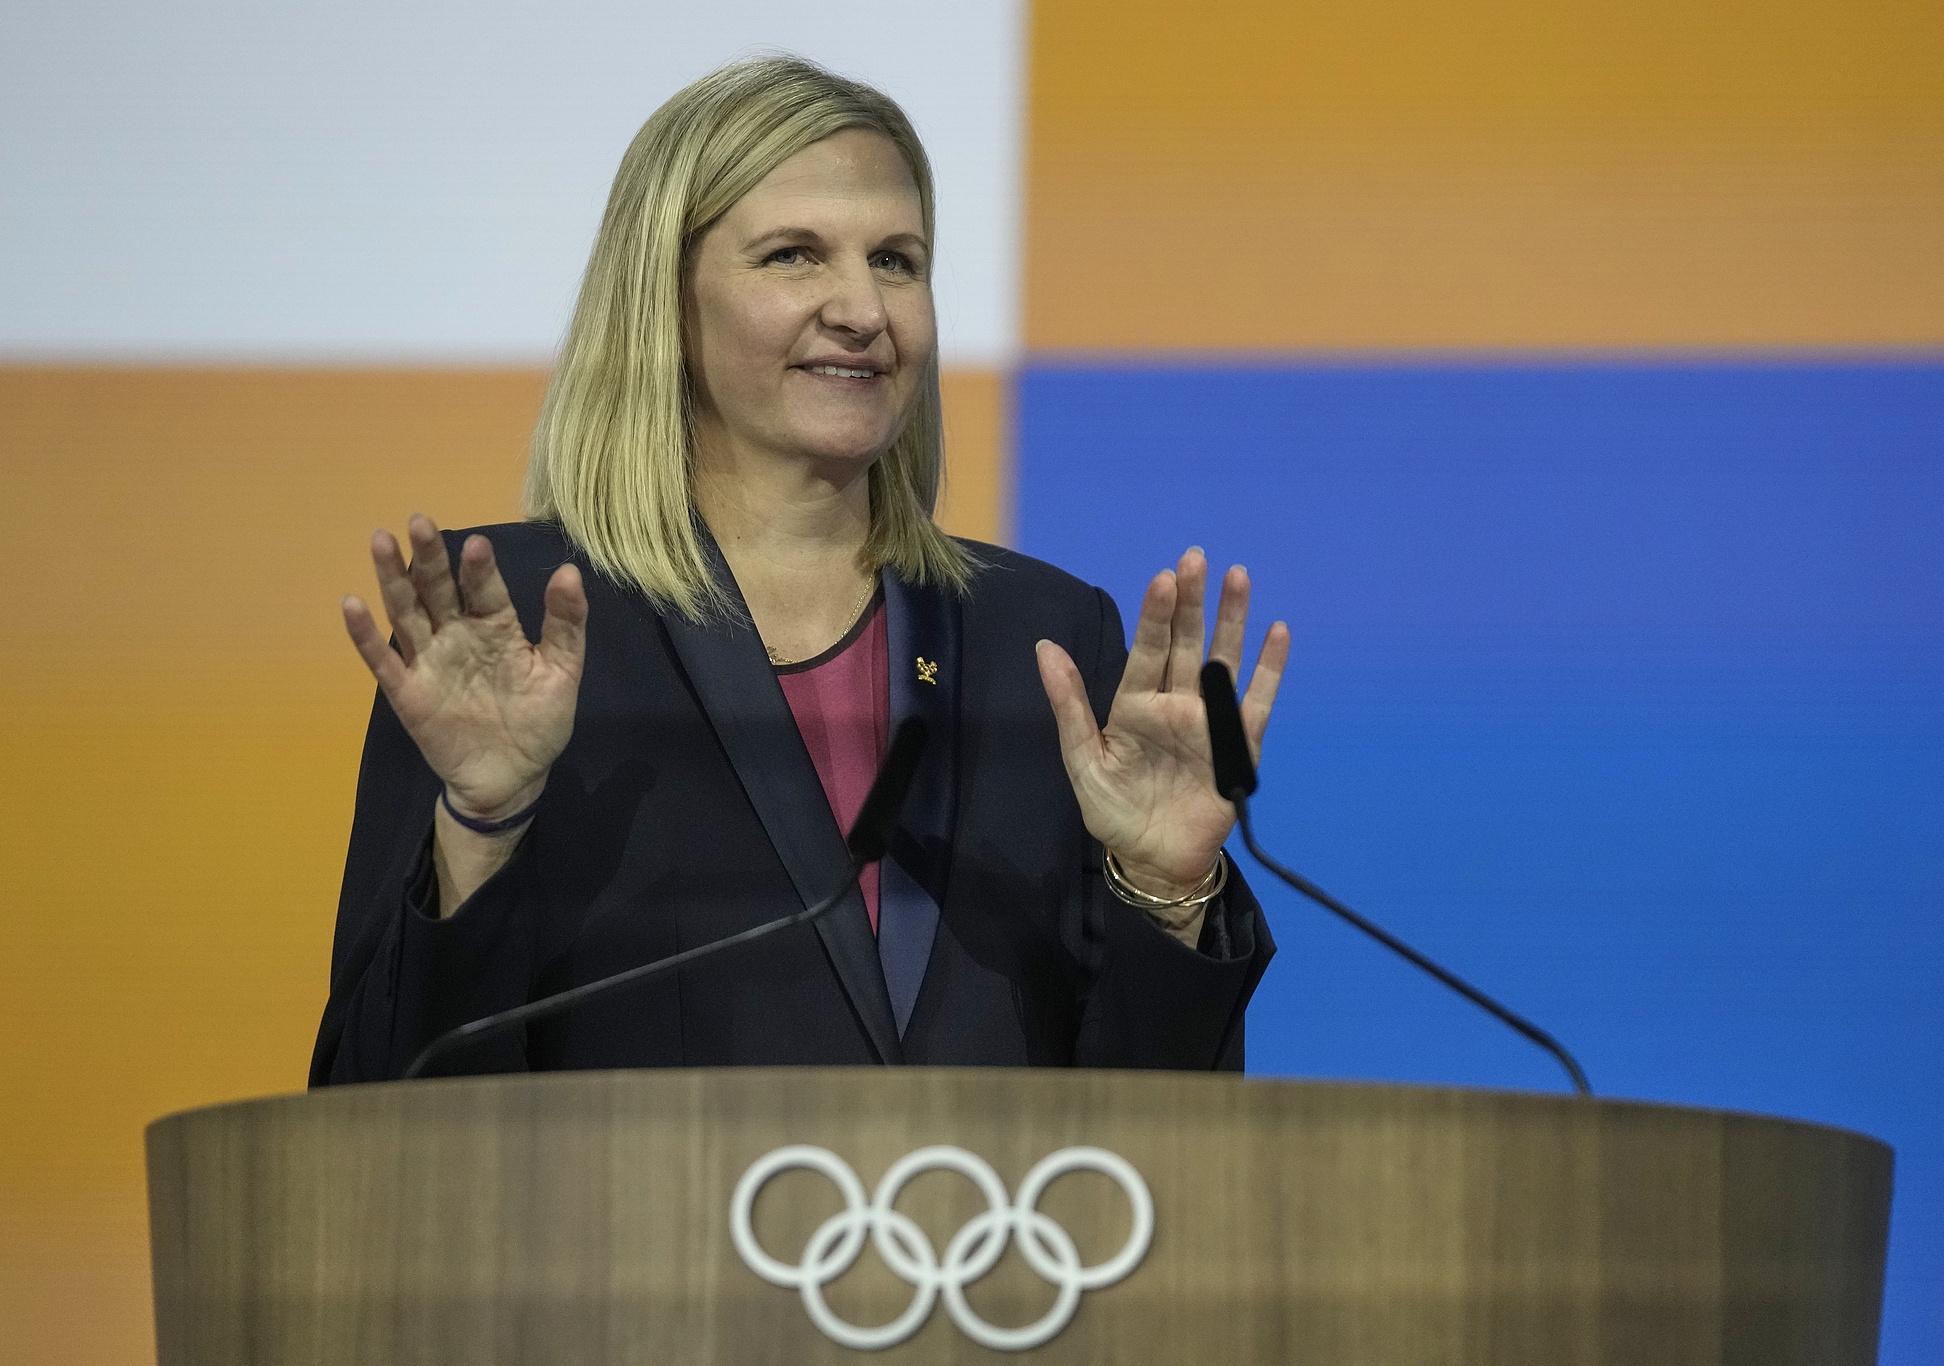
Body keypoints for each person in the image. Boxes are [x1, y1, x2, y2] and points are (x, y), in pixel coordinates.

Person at [310, 56, 1289, 1085]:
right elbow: (375, 1112)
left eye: (897, 260)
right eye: (792, 256)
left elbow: (1161, 1158)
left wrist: (1162, 887)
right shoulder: (512, 628)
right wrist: (483, 823)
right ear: (666, 306)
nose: (863, 308)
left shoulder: (1044, 642)